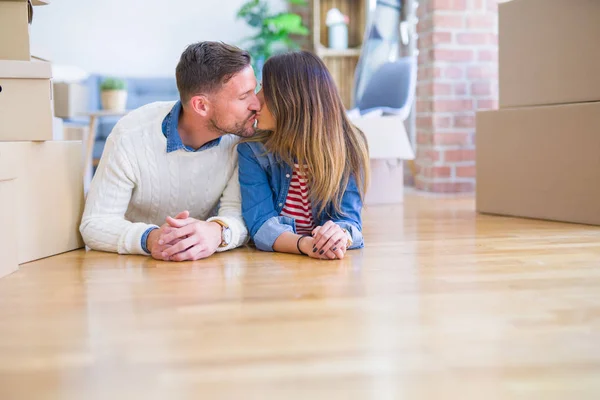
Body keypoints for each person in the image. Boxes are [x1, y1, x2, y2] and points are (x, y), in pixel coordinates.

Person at [80, 41, 260, 261]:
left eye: (255, 91)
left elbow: (239, 214)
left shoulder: (241, 138)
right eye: (244, 97)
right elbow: (95, 223)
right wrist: (152, 238)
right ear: (201, 106)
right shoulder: (130, 135)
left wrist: (217, 232)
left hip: (205, 268)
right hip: (135, 269)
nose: (256, 104)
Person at [237, 51, 370, 260]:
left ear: (292, 100)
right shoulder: (253, 150)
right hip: (276, 264)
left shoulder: (349, 146)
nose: (255, 101)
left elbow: (350, 221)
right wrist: (305, 245)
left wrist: (339, 235)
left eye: (264, 89)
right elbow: (261, 225)